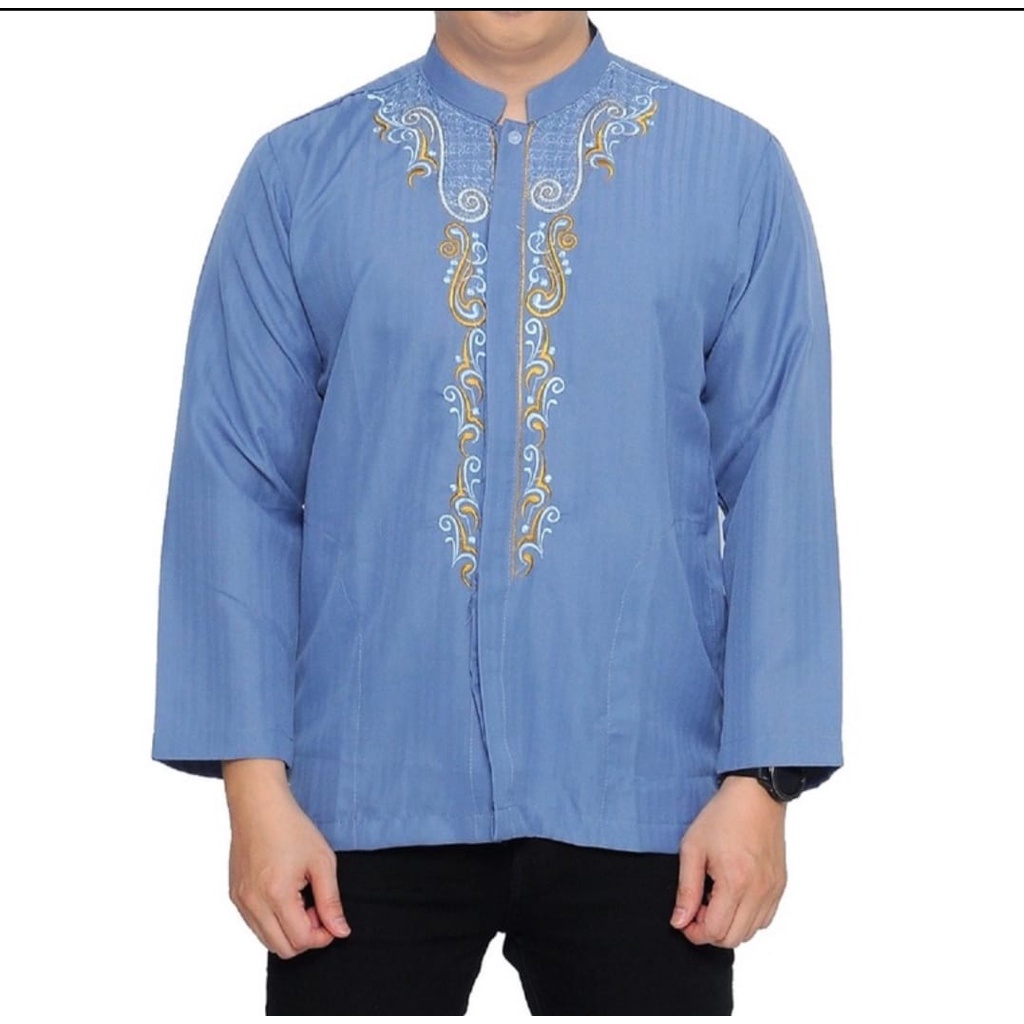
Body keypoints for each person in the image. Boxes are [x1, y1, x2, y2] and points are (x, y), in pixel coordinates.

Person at [152, 10, 843, 1015]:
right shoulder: (300, 176)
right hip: (357, 805)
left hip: (651, 802)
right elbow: (235, 481)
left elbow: (782, 477)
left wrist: (760, 783)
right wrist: (254, 793)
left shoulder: (731, 171)